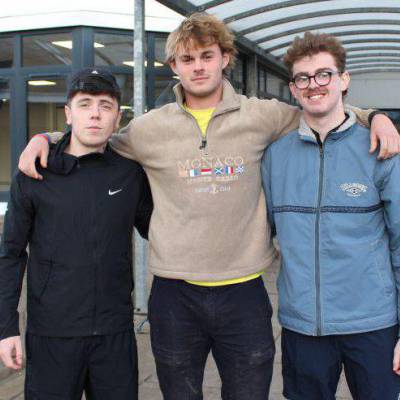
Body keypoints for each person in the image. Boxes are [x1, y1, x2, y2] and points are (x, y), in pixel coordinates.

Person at [18, 14, 400, 400]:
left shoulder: (262, 116)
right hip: (174, 296)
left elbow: (321, 109)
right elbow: (95, 135)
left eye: (206, 55)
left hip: (244, 294)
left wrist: (376, 117)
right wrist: (45, 138)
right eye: (187, 59)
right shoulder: (150, 129)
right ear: (174, 67)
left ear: (225, 58)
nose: (198, 67)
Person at [262, 31, 400, 400]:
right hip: (303, 326)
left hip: (373, 324)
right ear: (293, 88)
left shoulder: (380, 149)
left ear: (343, 80)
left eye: (324, 74)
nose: (314, 85)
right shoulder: (276, 157)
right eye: (303, 78)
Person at [0, 68, 153, 399]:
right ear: (68, 114)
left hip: (114, 335)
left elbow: (161, 230)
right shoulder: (34, 172)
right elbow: (10, 253)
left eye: (105, 105)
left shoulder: (130, 174)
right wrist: (6, 328)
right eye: (85, 104)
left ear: (118, 117)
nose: (95, 113)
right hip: (52, 336)